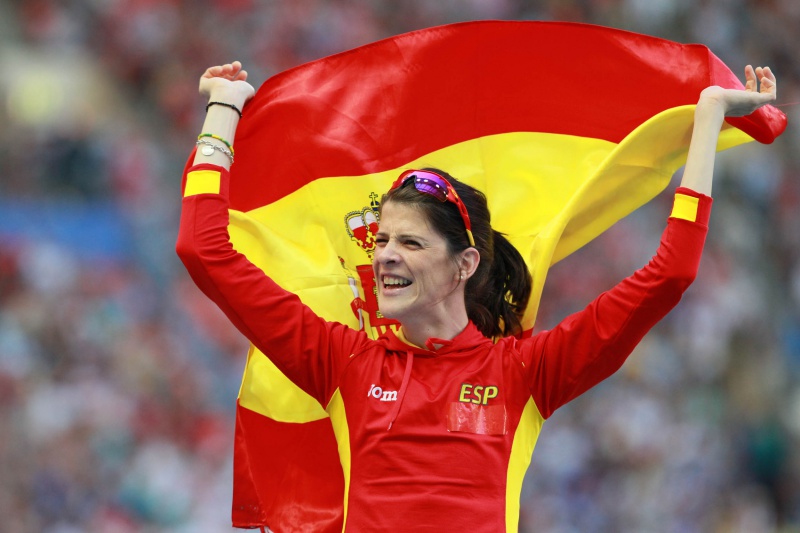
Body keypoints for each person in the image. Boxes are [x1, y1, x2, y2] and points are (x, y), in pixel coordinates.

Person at [176, 60, 777, 531]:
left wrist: (706, 121)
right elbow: (204, 250)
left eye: (410, 242)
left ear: (464, 263)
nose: (384, 255)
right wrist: (223, 110)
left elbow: (669, 275)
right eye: (381, 241)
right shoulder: (342, 363)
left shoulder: (526, 373)